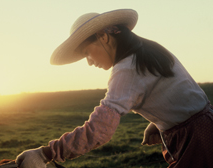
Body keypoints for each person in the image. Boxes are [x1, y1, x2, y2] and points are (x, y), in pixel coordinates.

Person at [16, 9, 213, 168]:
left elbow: (100, 128)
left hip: (197, 140)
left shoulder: (126, 68)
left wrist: (46, 153)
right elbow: (182, 93)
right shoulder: (149, 49)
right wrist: (160, 122)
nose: (89, 63)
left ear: (103, 36)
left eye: (87, 53)